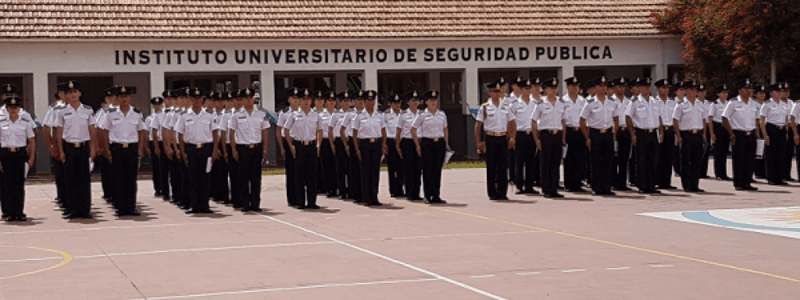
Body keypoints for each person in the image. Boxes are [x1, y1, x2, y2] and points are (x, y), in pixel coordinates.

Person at [99, 86, 147, 217]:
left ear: (130, 98)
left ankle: (131, 207)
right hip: (117, 148)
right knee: (118, 178)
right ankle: (120, 207)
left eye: (126, 97)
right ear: (117, 99)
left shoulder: (137, 113)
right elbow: (104, 131)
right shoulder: (111, 114)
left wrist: (141, 148)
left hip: (132, 148)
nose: (124, 99)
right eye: (121, 97)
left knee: (131, 179)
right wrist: (106, 149)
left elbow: (142, 131)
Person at [52, 80, 96, 219]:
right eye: (69, 93)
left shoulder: (88, 110)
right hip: (68, 147)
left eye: (75, 92)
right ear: (66, 95)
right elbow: (59, 132)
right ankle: (71, 209)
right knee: (69, 180)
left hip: (83, 147)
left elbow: (92, 130)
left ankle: (84, 209)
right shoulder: (61, 111)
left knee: (84, 179)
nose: (72, 95)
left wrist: (93, 148)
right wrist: (60, 150)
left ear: (80, 93)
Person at [175, 87, 220, 214]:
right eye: (194, 98)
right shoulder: (184, 116)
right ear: (190, 99)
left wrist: (215, 149)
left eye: (199, 98)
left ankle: (204, 205)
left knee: (205, 177)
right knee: (192, 178)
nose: (197, 101)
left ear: (203, 100)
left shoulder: (210, 115)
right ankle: (194, 205)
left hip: (206, 149)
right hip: (191, 149)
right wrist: (183, 152)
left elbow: (215, 133)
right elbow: (180, 135)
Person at [475, 78, 516, 200]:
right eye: (494, 91)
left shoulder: (506, 106)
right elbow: (478, 126)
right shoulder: (485, 107)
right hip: (491, 138)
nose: (497, 94)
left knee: (503, 166)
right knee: (492, 166)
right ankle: (492, 193)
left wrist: (512, 137)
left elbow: (512, 123)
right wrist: (479, 142)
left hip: (502, 138)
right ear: (490, 93)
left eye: (499, 91)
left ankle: (502, 192)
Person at [229, 87, 270, 212]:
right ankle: (245, 204)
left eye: (250, 98)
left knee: (256, 178)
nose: (248, 100)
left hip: (256, 148)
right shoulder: (236, 115)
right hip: (243, 149)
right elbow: (232, 133)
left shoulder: (261, 114)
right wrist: (234, 150)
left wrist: (265, 149)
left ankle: (256, 204)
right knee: (243, 178)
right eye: (246, 98)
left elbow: (265, 132)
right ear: (241, 100)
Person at [284, 88, 322, 209]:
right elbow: (286, 130)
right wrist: (291, 146)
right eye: (303, 99)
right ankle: (300, 202)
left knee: (312, 176)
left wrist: (318, 145)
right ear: (299, 101)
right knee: (299, 176)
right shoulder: (293, 115)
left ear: (311, 101)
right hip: (298, 146)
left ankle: (312, 201)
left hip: (311, 146)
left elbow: (319, 131)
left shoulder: (316, 115)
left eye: (308, 99)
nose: (306, 102)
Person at [580, 77, 618, 196]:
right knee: (596, 162)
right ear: (595, 88)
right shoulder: (590, 103)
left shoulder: (612, 102)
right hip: (595, 133)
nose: (603, 88)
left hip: (607, 134)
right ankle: (596, 187)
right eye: (600, 86)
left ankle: (606, 187)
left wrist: (614, 133)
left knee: (608, 161)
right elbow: (582, 121)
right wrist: (587, 137)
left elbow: (616, 119)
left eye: (604, 86)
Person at [0, 96, 35, 222]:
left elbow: (31, 140)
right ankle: (9, 213)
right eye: (11, 107)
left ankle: (19, 212)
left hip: (20, 155)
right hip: (6, 155)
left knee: (19, 185)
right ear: (7, 109)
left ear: (19, 109)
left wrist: (32, 157)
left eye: (15, 107)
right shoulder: (1, 122)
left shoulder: (25, 122)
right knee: (8, 185)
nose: (13, 110)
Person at [411, 90, 449, 204]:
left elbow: (445, 129)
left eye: (435, 100)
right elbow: (413, 129)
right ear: (426, 102)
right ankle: (428, 195)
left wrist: (446, 143)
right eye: (431, 100)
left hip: (439, 143)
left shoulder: (442, 114)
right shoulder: (422, 115)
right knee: (427, 170)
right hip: (427, 143)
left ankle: (436, 195)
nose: (433, 102)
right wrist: (417, 144)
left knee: (437, 170)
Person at [626, 77, 662, 194]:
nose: (647, 89)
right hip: (641, 133)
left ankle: (651, 185)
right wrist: (632, 134)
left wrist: (660, 132)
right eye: (644, 87)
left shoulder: (655, 101)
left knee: (653, 160)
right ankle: (642, 185)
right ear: (640, 88)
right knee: (641, 161)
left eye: (648, 87)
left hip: (653, 134)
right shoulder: (635, 101)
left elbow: (659, 117)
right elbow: (628, 117)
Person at [531, 78, 566, 198]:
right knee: (546, 163)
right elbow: (534, 122)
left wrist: (563, 138)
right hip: (546, 135)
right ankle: (546, 189)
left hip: (558, 135)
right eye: (551, 88)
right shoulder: (540, 104)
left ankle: (554, 188)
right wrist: (537, 139)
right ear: (545, 90)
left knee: (556, 163)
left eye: (555, 88)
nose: (554, 90)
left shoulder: (561, 103)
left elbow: (563, 121)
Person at [722, 79, 759, 191]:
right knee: (739, 159)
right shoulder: (733, 103)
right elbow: (725, 118)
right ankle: (738, 183)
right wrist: (731, 133)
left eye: (750, 89)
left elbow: (757, 119)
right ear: (740, 91)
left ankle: (747, 182)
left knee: (749, 159)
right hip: (739, 133)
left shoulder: (754, 103)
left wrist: (757, 133)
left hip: (751, 133)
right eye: (746, 89)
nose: (749, 91)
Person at [352, 90, 387, 206]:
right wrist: (357, 149)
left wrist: (384, 144)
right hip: (365, 144)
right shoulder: (359, 116)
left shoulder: (379, 115)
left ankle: (374, 197)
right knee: (365, 172)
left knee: (375, 171)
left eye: (372, 100)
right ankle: (366, 198)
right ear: (364, 101)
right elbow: (355, 134)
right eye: (368, 100)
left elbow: (383, 131)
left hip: (376, 143)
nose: (370, 102)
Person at [673, 80, 706, 193]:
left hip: (698, 134)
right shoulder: (681, 105)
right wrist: (678, 136)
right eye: (691, 89)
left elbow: (704, 120)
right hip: (686, 134)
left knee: (697, 160)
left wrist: (705, 134)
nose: (693, 92)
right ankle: (687, 185)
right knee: (686, 161)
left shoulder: (700, 104)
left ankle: (695, 184)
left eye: (695, 89)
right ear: (686, 91)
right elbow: (675, 120)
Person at [509, 77, 539, 195]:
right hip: (520, 135)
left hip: (531, 135)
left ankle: (529, 186)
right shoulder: (515, 104)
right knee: (519, 162)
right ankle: (519, 185)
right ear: (521, 90)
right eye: (525, 88)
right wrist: (512, 137)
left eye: (529, 88)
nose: (528, 90)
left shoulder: (535, 103)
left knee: (531, 161)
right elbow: (511, 122)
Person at [759, 83, 791, 185]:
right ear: (772, 93)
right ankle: (771, 178)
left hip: (781, 130)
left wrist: (786, 131)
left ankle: (779, 177)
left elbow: (786, 119)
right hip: (771, 129)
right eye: (777, 91)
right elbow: (762, 120)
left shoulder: (784, 105)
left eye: (781, 91)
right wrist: (765, 135)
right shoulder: (767, 104)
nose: (780, 93)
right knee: (770, 155)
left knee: (781, 155)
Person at [396, 90, 423, 201]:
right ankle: (409, 193)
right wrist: (398, 145)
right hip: (407, 142)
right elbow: (398, 131)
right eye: (413, 100)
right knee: (409, 168)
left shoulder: (422, 114)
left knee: (418, 168)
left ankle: (417, 192)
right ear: (408, 102)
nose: (415, 102)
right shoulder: (403, 115)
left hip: (419, 141)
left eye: (416, 100)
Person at [562, 77, 588, 192]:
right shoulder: (563, 101)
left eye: (577, 86)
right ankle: (569, 184)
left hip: (580, 131)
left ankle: (577, 183)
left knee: (579, 158)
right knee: (568, 159)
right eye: (572, 86)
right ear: (567, 87)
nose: (575, 88)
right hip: (569, 131)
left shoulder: (583, 101)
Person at [277, 88, 300, 207]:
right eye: (293, 98)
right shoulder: (284, 113)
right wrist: (281, 147)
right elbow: (279, 130)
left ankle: (301, 198)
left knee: (300, 172)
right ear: (289, 99)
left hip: (300, 143)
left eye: (297, 98)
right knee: (291, 172)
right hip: (288, 142)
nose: (296, 100)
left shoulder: (303, 112)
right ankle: (292, 199)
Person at [341, 90, 365, 203]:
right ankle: (356, 194)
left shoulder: (368, 113)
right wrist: (346, 143)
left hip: (365, 141)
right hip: (353, 141)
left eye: (362, 100)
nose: (360, 102)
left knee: (366, 169)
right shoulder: (350, 114)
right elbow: (342, 129)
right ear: (354, 101)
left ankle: (366, 193)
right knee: (354, 169)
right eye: (358, 100)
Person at [654, 79, 678, 189]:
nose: (666, 90)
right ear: (658, 89)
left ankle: (666, 182)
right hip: (659, 130)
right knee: (659, 156)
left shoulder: (673, 102)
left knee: (669, 157)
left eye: (667, 88)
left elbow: (675, 118)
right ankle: (658, 181)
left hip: (670, 130)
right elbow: (656, 117)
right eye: (663, 88)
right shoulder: (654, 102)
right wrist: (660, 131)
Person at [610, 77, 633, 191]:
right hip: (615, 132)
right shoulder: (610, 101)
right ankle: (614, 182)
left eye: (624, 86)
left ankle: (623, 183)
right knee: (614, 158)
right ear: (614, 88)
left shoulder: (629, 101)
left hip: (625, 131)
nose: (622, 88)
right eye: (619, 86)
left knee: (624, 159)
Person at [329, 91, 352, 200]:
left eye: (348, 101)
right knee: (341, 167)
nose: (346, 103)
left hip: (351, 140)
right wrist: (332, 143)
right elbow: (330, 129)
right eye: (344, 101)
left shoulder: (354, 114)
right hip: (339, 141)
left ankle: (352, 190)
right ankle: (342, 191)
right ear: (340, 103)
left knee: (352, 167)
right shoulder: (336, 114)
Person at [708, 84, 731, 180]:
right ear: (718, 94)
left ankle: (724, 173)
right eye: (723, 93)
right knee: (718, 152)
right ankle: (718, 173)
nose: (725, 95)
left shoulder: (728, 103)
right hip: (718, 127)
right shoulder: (714, 104)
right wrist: (712, 133)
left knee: (725, 151)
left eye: (726, 93)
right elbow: (710, 119)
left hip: (726, 128)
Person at [384, 93, 405, 198]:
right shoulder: (386, 115)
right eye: (395, 103)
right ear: (390, 104)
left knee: (402, 167)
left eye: (398, 103)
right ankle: (393, 190)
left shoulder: (404, 115)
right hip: (391, 142)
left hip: (402, 142)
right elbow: (383, 130)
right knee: (392, 167)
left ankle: (401, 189)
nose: (397, 105)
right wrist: (384, 144)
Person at [319, 91, 338, 198]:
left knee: (337, 166)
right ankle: (328, 189)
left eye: (333, 100)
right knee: (326, 166)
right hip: (325, 141)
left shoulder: (339, 114)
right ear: (325, 103)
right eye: (329, 101)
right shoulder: (321, 115)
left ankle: (337, 188)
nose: (331, 103)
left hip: (337, 141)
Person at [146, 96, 166, 198]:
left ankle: (165, 188)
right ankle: (158, 189)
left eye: (159, 104)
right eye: (155, 105)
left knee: (164, 167)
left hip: (164, 142)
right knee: (156, 167)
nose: (157, 106)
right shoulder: (149, 118)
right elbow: (146, 133)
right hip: (153, 142)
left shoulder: (166, 115)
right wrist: (147, 147)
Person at [753, 84, 768, 179]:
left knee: (765, 152)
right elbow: (755, 120)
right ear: (755, 94)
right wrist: (757, 132)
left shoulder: (766, 104)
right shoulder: (754, 104)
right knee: (758, 152)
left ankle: (764, 171)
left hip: (766, 128)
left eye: (763, 93)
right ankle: (758, 172)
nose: (762, 95)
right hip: (757, 129)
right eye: (760, 93)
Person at [697, 84, 712, 179]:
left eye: (704, 91)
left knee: (706, 151)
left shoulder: (709, 103)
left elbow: (709, 118)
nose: (703, 93)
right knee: (698, 152)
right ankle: (697, 171)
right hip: (699, 128)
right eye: (700, 91)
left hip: (707, 127)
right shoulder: (695, 103)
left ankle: (703, 171)